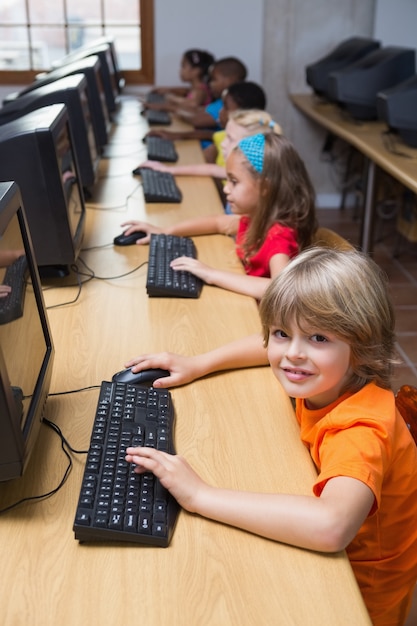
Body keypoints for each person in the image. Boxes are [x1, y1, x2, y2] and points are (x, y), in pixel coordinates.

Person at [126, 247, 417, 626]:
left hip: (361, 586)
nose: (292, 354)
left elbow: (330, 526)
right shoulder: (325, 376)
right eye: (283, 332)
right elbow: (266, 348)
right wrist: (198, 363)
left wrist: (200, 495)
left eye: (318, 338)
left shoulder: (361, 430)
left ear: (362, 348)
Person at [121, 131, 317, 301]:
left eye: (234, 182)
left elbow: (281, 291)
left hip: (256, 318)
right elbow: (218, 222)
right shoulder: (257, 218)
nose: (226, 188)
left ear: (265, 187)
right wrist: (164, 231)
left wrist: (211, 274)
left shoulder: (279, 236)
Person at [137, 109, 281, 185]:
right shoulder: (243, 172)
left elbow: (226, 223)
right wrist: (168, 170)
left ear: (252, 147)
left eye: (230, 139)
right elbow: (211, 169)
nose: (223, 143)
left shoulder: (253, 185)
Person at [146, 56, 248, 145]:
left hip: (205, 147)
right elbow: (199, 111)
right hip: (198, 143)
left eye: (214, 79)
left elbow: (197, 120)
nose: (210, 84)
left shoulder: (227, 107)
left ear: (228, 80)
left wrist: (168, 108)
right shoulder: (219, 102)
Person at [143, 49, 215, 111]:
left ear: (196, 71)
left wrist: (172, 98)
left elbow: (193, 104)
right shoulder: (197, 87)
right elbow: (186, 91)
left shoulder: (200, 90)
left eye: (183, 66)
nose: (180, 71)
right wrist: (167, 90)